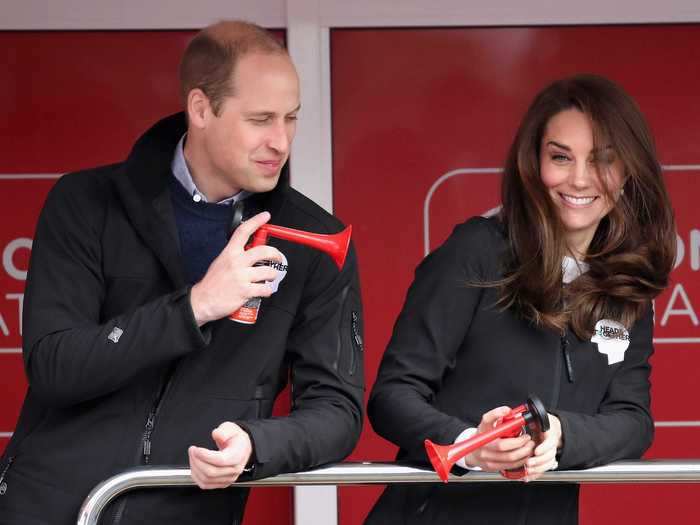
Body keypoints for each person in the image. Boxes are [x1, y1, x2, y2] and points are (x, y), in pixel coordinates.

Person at [0, 20, 364, 525]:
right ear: (200, 109)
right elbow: (54, 366)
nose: (280, 141)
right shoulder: (84, 203)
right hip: (47, 508)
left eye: (291, 119)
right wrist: (196, 306)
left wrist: (257, 444)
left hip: (189, 512)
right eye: (260, 119)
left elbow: (338, 410)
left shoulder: (314, 241)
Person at [366, 74, 676, 524]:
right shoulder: (476, 251)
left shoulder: (627, 283)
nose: (580, 179)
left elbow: (633, 420)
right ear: (533, 163)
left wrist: (561, 434)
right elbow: (393, 395)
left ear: (629, 171)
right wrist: (471, 444)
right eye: (560, 157)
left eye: (603, 160)